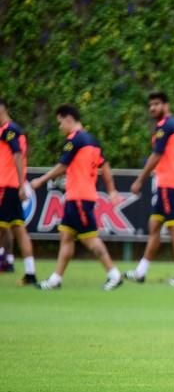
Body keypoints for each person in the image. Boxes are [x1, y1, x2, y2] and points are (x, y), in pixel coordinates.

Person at [30, 104, 123, 291]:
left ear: (68, 119)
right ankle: (56, 279)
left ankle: (114, 274)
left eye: (60, 123)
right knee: (66, 236)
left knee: (90, 240)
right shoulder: (92, 141)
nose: (60, 127)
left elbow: (62, 166)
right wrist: (111, 190)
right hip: (80, 196)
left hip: (79, 197)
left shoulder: (73, 140)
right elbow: (104, 166)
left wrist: (41, 179)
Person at [123, 92, 174, 286]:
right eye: (150, 105)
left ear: (166, 105)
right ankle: (140, 272)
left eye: (157, 104)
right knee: (154, 226)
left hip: (168, 184)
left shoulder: (165, 126)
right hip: (170, 183)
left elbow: (156, 155)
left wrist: (139, 180)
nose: (152, 108)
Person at [0, 98, 37, 284]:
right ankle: (30, 272)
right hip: (11, 186)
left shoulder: (9, 130)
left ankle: (5, 260)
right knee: (19, 229)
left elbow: (17, 156)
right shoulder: (12, 130)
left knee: (9, 228)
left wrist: (21, 184)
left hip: (7, 186)